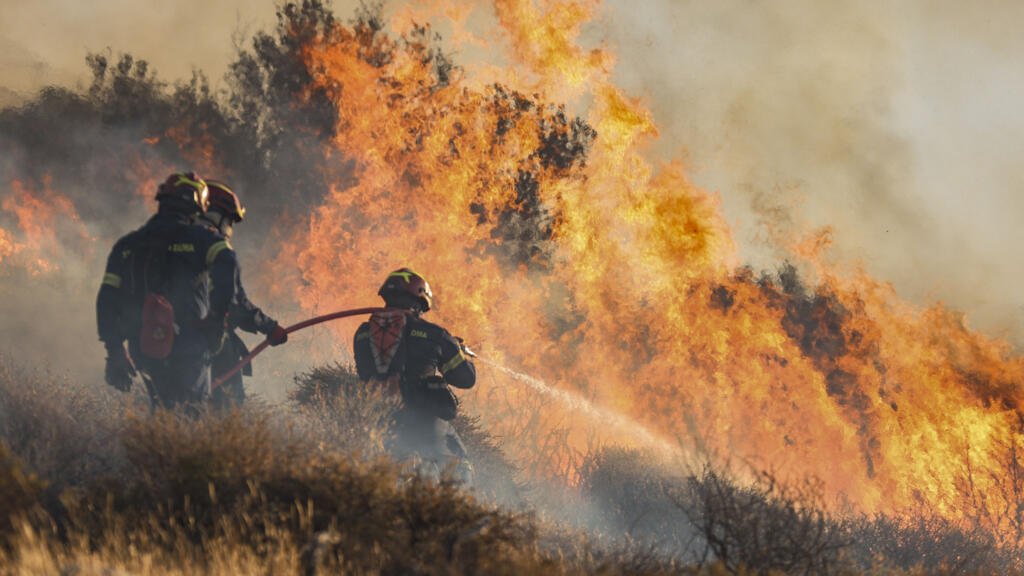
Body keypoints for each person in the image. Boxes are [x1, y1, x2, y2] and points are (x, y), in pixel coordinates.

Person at [96, 172, 235, 409]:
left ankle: (158, 445)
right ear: (196, 205)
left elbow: (107, 301)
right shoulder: (203, 240)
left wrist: (115, 351)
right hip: (190, 344)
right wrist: (216, 321)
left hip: (144, 345)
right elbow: (228, 268)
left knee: (161, 410)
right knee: (191, 413)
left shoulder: (128, 244)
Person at [353, 268, 476, 482]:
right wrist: (459, 351)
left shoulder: (363, 333)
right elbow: (465, 379)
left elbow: (364, 371)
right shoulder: (435, 334)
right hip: (425, 422)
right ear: (419, 301)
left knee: (387, 477)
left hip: (378, 423)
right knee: (458, 469)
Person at [198, 179, 287, 409]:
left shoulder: (171, 243)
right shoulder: (214, 247)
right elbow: (235, 302)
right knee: (227, 408)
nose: (229, 228)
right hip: (210, 342)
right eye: (228, 220)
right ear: (215, 215)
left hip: (165, 343)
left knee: (176, 410)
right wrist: (270, 327)